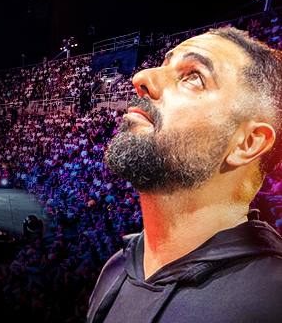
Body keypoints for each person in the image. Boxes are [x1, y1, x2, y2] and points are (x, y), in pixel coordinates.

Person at [88, 28, 282, 323]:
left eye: (193, 75)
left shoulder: (271, 299)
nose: (141, 78)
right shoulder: (117, 268)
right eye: (165, 65)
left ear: (247, 143)